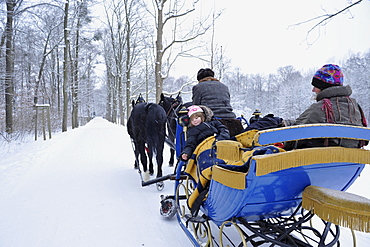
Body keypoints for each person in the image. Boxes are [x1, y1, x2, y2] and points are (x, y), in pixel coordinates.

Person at [284, 64, 367, 150]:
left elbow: (292, 140)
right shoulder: (355, 107)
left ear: (323, 87)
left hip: (320, 161)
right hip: (354, 161)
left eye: (315, 86)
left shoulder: (321, 107)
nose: (313, 90)